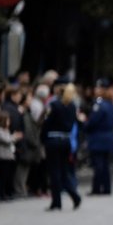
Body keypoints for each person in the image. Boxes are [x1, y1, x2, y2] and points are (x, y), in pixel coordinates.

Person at [41, 79, 82, 211]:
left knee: (54, 172)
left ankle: (56, 202)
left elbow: (47, 123)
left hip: (53, 140)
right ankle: (74, 195)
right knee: (64, 171)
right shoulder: (72, 106)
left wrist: (43, 138)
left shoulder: (54, 105)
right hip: (65, 140)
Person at [85, 79, 113, 196]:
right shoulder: (110, 104)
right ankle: (106, 187)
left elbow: (93, 121)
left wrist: (85, 124)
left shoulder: (99, 104)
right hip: (108, 137)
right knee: (105, 164)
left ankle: (97, 188)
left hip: (98, 138)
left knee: (98, 164)